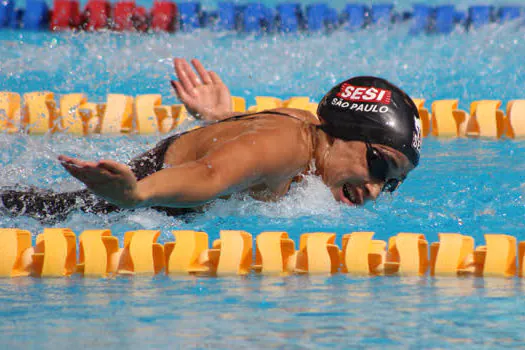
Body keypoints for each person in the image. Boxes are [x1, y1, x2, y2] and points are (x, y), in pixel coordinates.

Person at [0, 58, 422, 221]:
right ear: (348, 133)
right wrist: (136, 194)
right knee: (38, 209)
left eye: (391, 182)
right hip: (134, 201)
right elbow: (209, 174)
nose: (374, 189)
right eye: (380, 166)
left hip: (145, 194)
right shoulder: (287, 146)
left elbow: (245, 152)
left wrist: (220, 119)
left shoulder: (306, 134)